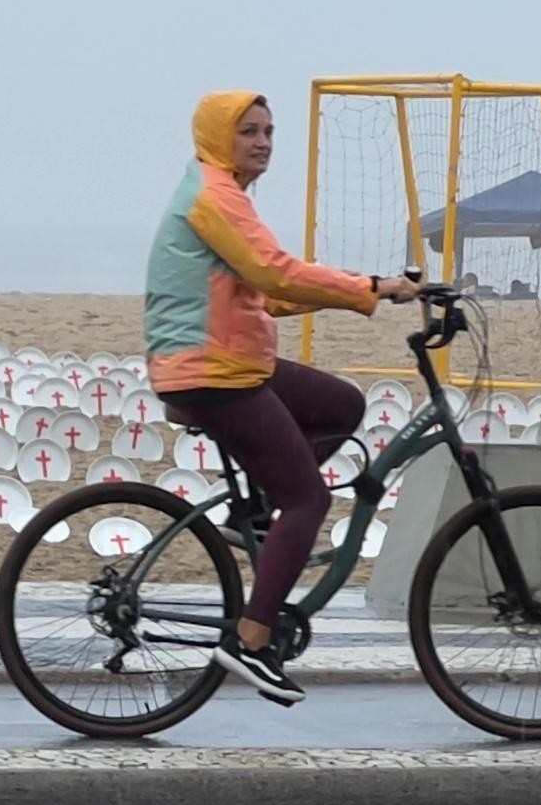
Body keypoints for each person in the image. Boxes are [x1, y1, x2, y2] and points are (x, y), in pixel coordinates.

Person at [144, 90, 422, 704]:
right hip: (209, 372)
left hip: (230, 361)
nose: (263, 141)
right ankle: (250, 638)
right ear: (220, 136)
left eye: (269, 131)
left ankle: (260, 515)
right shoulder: (214, 197)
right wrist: (368, 286)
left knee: (342, 405)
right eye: (249, 131)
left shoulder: (225, 194)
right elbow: (275, 272)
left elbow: (270, 292)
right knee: (310, 500)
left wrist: (366, 291)